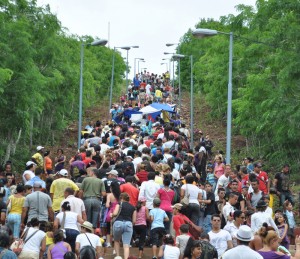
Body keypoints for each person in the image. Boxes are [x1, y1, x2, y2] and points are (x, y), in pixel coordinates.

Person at [111, 192, 136, 259]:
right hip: (128, 224)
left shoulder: (119, 204)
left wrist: (111, 215)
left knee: (116, 241)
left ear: (121, 198)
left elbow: (115, 213)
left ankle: (118, 256)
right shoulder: (133, 207)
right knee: (126, 245)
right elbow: (134, 221)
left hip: (118, 223)